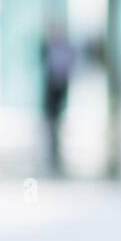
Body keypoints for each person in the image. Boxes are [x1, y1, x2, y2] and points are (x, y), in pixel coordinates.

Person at [40, 19, 74, 175]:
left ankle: (56, 157)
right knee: (51, 127)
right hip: (52, 95)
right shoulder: (48, 47)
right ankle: (52, 157)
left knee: (56, 127)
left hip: (58, 94)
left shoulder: (64, 48)